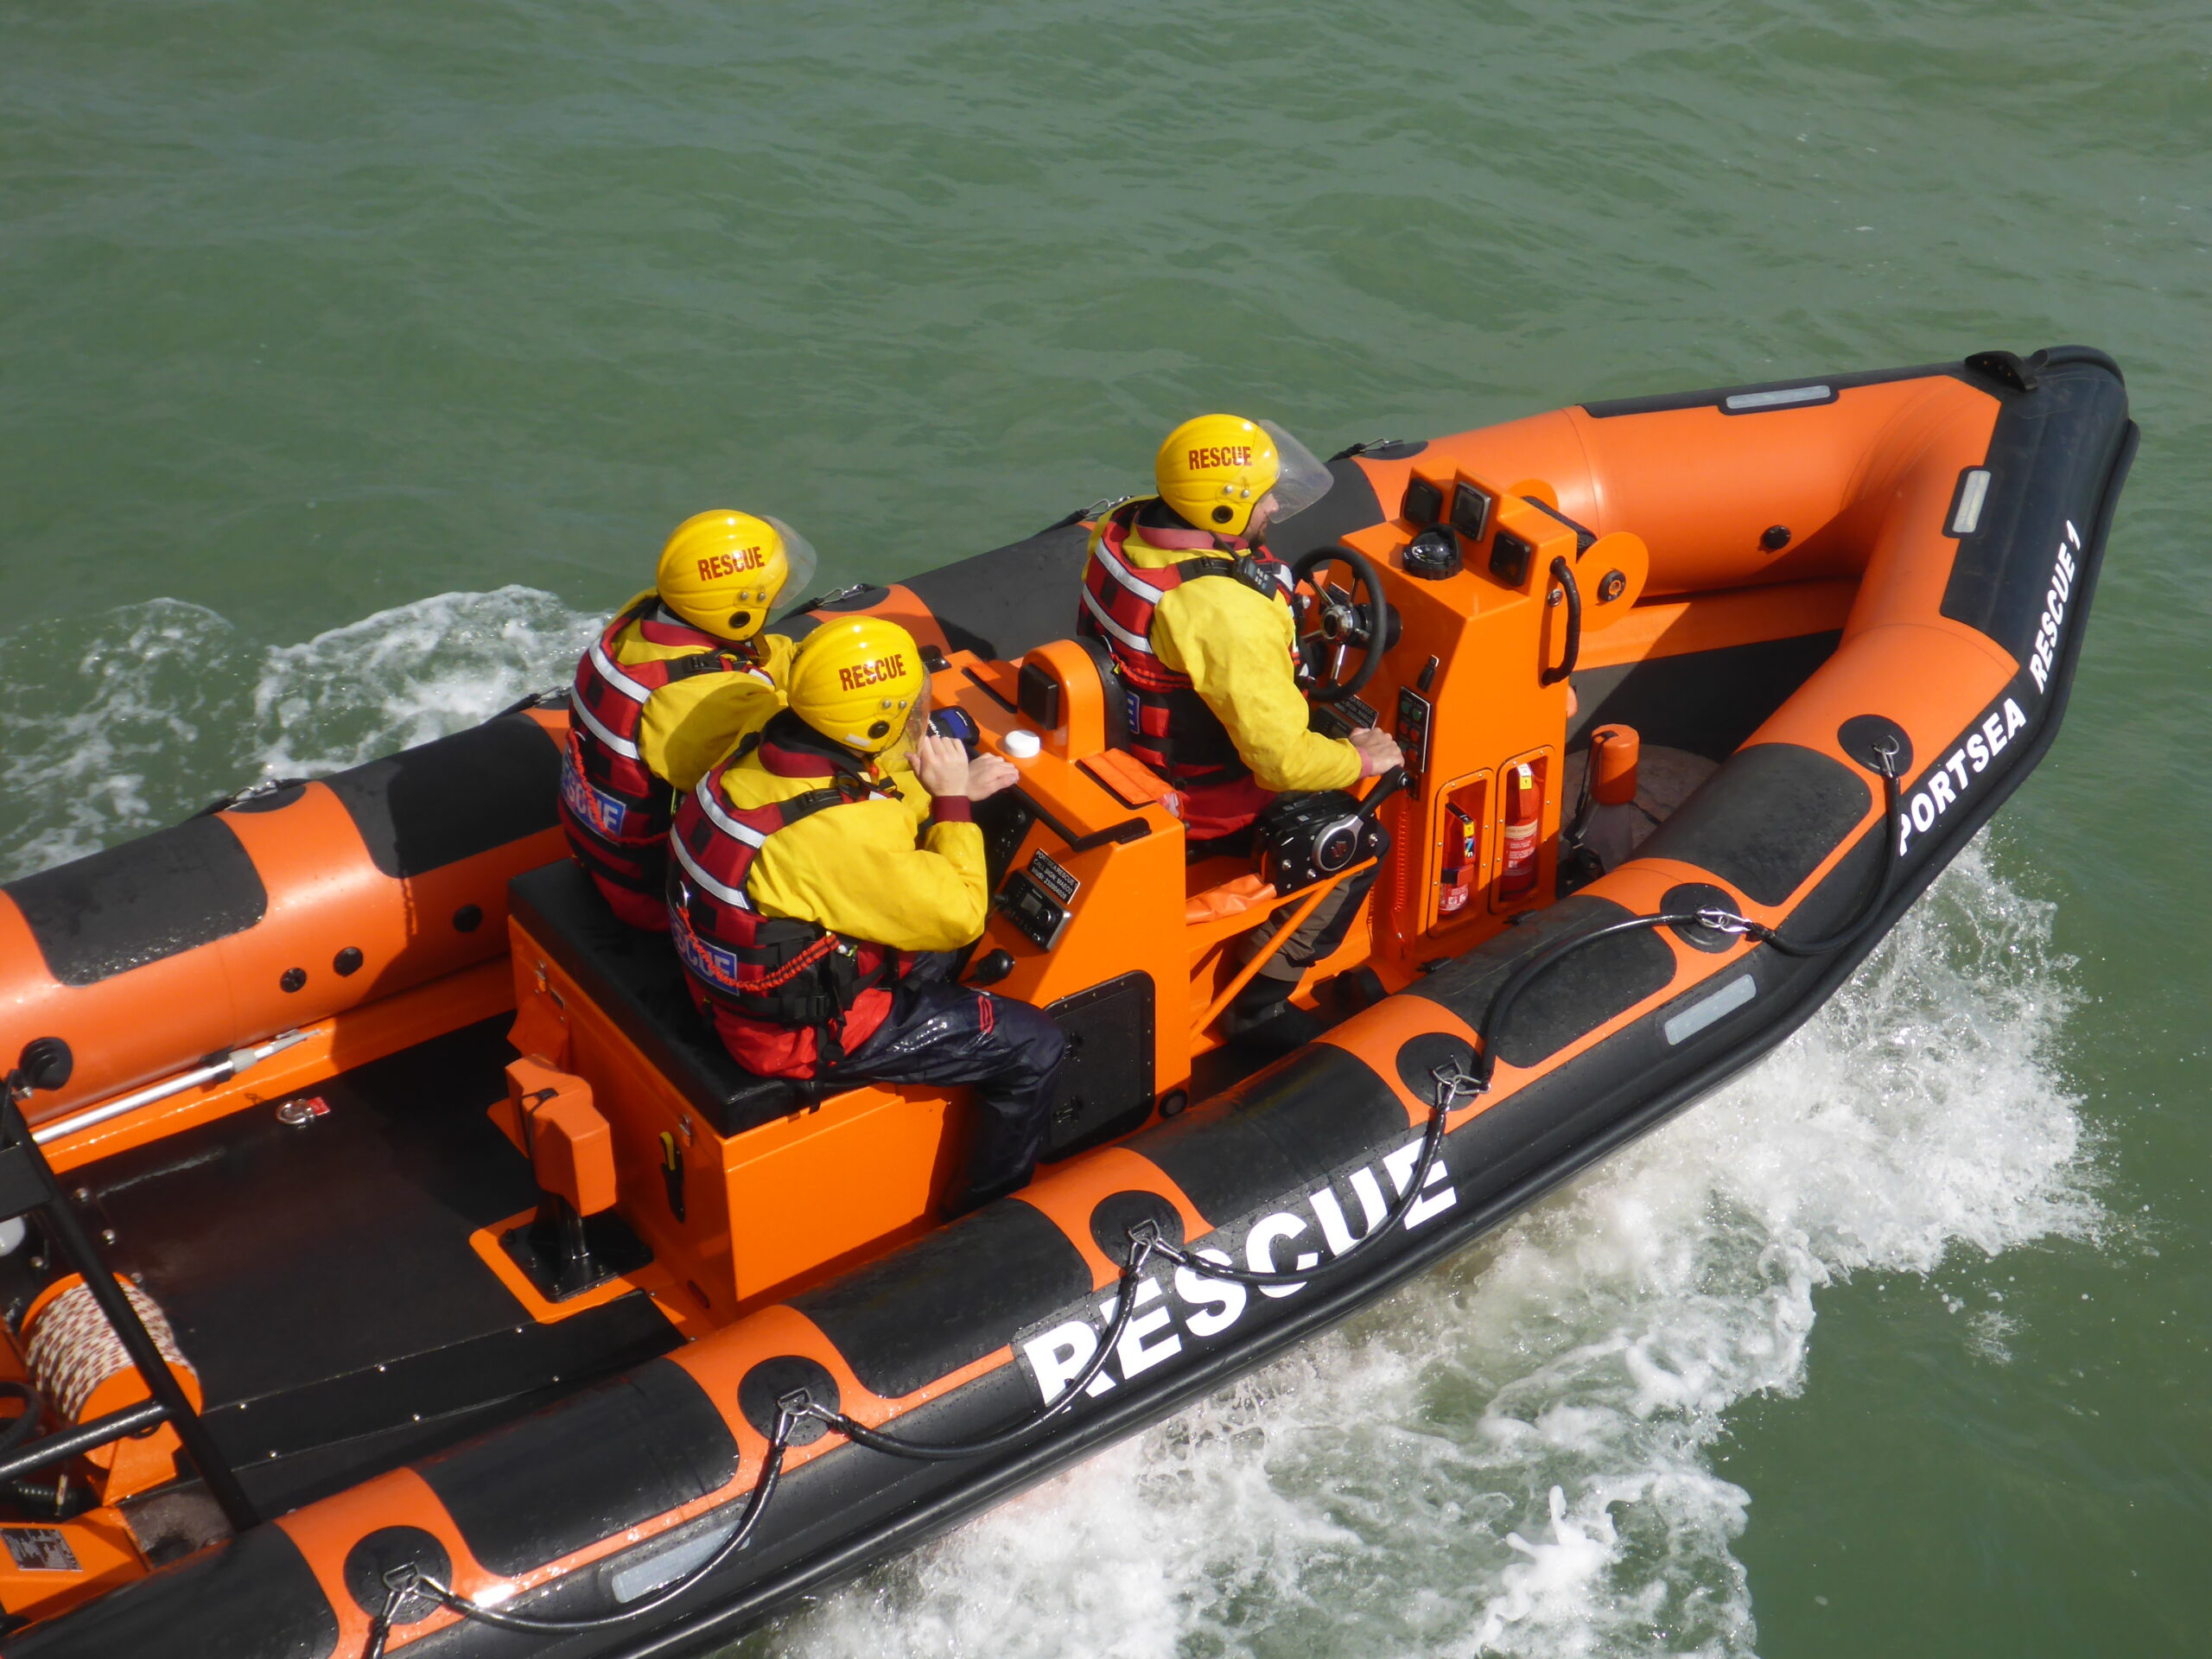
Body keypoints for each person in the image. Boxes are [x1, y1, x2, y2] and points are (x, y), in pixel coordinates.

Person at [664, 617, 1065, 1216]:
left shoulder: (756, 747)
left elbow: (860, 803)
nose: (917, 721)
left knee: (935, 954)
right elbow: (959, 914)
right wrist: (953, 804)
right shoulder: (841, 833)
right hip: (795, 1037)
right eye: (909, 713)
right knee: (1035, 1045)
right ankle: (990, 1213)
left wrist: (937, 790)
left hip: (724, 990)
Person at [1079, 413, 1404, 1051]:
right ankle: (1260, 1006)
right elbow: (1281, 763)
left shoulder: (1121, 531)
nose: (1276, 504)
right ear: (1222, 512)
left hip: (1134, 756)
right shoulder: (1221, 612)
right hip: (1206, 803)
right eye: (1263, 496)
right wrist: (1358, 756)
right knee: (1361, 839)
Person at [559, 510, 813, 929]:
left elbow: (746, 662)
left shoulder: (639, 622)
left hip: (601, 856)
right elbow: (803, 770)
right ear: (736, 613)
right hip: (655, 895)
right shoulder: (710, 703)